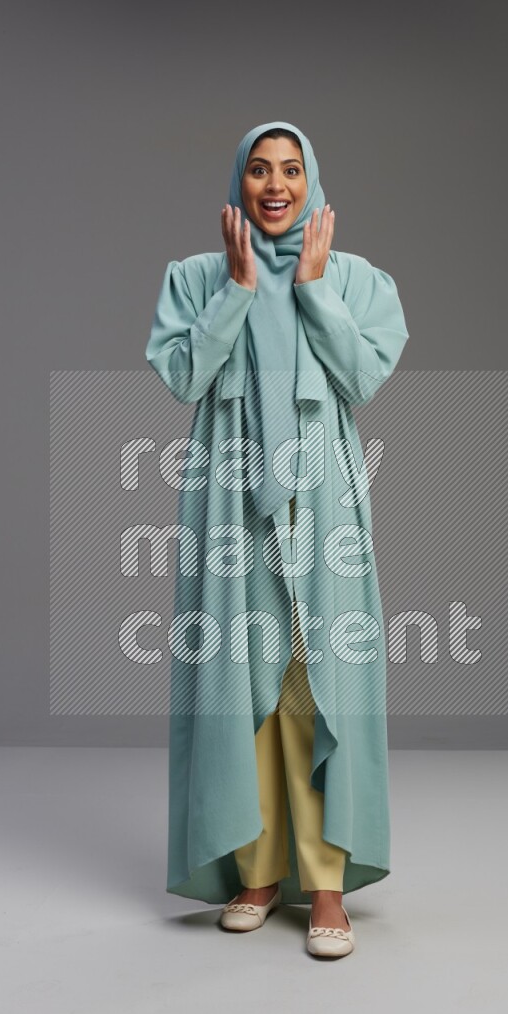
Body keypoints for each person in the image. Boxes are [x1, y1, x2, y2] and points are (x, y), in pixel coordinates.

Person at [144, 120, 409, 958]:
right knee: (241, 679)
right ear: (239, 181)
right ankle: (256, 871)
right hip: (231, 499)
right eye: (258, 169)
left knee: (315, 679)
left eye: (291, 169)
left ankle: (325, 884)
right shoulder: (195, 277)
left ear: (311, 180)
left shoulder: (358, 279)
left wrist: (316, 289)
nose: (275, 184)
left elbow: (364, 377)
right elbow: (183, 375)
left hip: (320, 500)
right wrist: (238, 288)